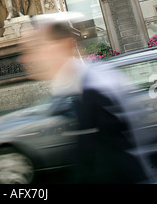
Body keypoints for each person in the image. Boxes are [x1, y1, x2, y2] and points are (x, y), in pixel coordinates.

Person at [20, 12, 151, 184]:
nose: (25, 58)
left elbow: (113, 167)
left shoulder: (94, 92)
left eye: (36, 48)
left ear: (63, 45)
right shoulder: (76, 90)